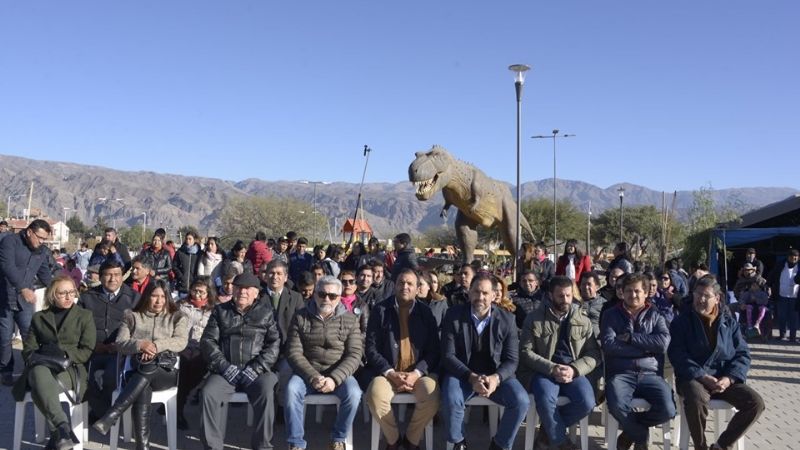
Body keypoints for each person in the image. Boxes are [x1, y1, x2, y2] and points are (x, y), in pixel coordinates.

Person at [668, 275, 765, 450]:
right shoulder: (681, 322)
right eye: (698, 294)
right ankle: (701, 446)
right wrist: (702, 376)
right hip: (694, 379)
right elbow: (677, 354)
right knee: (696, 398)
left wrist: (729, 378)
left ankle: (721, 445)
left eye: (706, 296)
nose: (701, 299)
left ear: (717, 298)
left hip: (723, 380)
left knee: (755, 403)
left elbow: (742, 354)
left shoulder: (729, 322)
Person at [91, 279, 188, 450]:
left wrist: (156, 346)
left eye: (163, 297)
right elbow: (120, 343)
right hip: (136, 373)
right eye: (154, 296)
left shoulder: (177, 316)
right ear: (146, 296)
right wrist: (140, 345)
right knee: (143, 385)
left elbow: (181, 341)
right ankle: (142, 446)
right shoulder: (132, 316)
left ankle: (113, 414)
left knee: (148, 368)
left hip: (165, 372)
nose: (159, 301)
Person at [440, 273, 529, 450]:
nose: (480, 297)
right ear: (469, 292)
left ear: (494, 295)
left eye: (485, 293)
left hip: (495, 375)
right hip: (462, 374)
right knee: (451, 398)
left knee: (521, 401)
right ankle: (458, 442)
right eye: (476, 292)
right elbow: (448, 355)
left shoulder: (507, 319)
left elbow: (512, 360)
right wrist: (471, 377)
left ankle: (499, 444)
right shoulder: (453, 315)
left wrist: (496, 378)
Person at [12, 275, 95, 450]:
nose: (68, 297)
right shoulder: (39, 317)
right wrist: (41, 356)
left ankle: (58, 434)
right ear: (52, 295)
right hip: (43, 365)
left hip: (70, 369)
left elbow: (87, 350)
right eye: (62, 293)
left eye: (71, 292)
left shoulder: (84, 316)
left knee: (39, 386)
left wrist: (64, 354)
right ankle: (62, 428)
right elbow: (28, 349)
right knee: (39, 372)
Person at [199, 271, 281, 450]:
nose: (242, 292)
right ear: (232, 290)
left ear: (256, 293)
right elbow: (207, 341)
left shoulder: (266, 313)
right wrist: (224, 366)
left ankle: (262, 446)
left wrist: (257, 368)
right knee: (208, 393)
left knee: (267, 390)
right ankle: (212, 446)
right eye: (238, 288)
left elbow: (274, 344)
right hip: (225, 371)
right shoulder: (220, 311)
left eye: (247, 288)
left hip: (258, 372)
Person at [519, 276, 599, 450]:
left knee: (587, 402)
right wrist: (551, 368)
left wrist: (574, 369)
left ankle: (547, 433)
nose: (565, 300)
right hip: (544, 371)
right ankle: (562, 442)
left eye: (568, 295)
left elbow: (593, 353)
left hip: (573, 371)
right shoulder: (534, 318)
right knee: (545, 398)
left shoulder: (583, 320)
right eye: (560, 296)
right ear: (550, 295)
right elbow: (525, 352)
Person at [284, 275, 363, 450]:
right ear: (315, 294)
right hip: (307, 372)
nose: (326, 299)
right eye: (322, 294)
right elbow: (293, 352)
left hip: (338, 373)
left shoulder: (350, 319)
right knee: (291, 390)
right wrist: (313, 376)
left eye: (332, 296)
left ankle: (338, 438)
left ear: (339, 297)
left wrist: (334, 378)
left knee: (354, 394)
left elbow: (355, 354)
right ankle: (296, 443)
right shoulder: (300, 317)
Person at [364, 269, 440, 450]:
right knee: (375, 395)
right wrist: (390, 373)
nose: (405, 287)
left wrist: (416, 373)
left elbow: (434, 351)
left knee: (432, 395)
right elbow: (371, 349)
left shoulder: (426, 313)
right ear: (395, 285)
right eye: (401, 283)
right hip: (387, 372)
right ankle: (394, 439)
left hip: (418, 374)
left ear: (417, 288)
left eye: (410, 284)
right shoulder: (380, 310)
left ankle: (412, 440)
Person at [600, 273, 675, 450]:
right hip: (621, 373)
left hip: (650, 374)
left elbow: (662, 343)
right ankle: (640, 435)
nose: (632, 295)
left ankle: (630, 432)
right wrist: (646, 349)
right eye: (628, 291)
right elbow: (609, 346)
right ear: (622, 292)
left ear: (646, 293)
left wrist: (630, 338)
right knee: (617, 405)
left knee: (668, 409)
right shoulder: (611, 315)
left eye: (637, 291)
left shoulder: (656, 315)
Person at [78, 260, 141, 418]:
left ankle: (105, 412)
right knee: (83, 377)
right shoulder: (87, 298)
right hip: (92, 349)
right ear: (100, 277)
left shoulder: (134, 298)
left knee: (112, 377)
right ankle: (101, 411)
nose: (113, 279)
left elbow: (140, 328)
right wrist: (93, 345)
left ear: (122, 276)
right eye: (108, 275)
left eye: (117, 275)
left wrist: (122, 345)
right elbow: (77, 327)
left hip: (120, 351)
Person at [0, 219, 54, 386]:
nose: (42, 241)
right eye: (40, 237)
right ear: (29, 232)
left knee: (30, 336)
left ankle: (32, 372)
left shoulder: (42, 250)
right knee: (5, 338)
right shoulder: (10, 241)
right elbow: (7, 266)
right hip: (4, 298)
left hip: (25, 302)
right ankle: (5, 372)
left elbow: (45, 274)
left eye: (45, 239)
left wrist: (57, 290)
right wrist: (22, 288)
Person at [176, 278, 217, 429]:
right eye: (195, 290)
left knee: (200, 365)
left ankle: (179, 400)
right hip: (183, 346)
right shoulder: (181, 305)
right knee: (183, 368)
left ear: (208, 293)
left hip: (202, 348)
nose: (197, 295)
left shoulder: (213, 309)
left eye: (201, 292)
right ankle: (178, 411)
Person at [767, 249, 800, 342]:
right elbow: (772, 275)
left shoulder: (799, 267)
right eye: (792, 257)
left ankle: (793, 337)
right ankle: (782, 335)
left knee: (793, 318)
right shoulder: (780, 265)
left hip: (795, 296)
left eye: (796, 257)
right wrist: (768, 285)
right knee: (782, 316)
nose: (794, 258)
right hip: (782, 295)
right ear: (788, 257)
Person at [173, 232, 201, 296]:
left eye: (190, 239)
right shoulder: (180, 252)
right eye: (186, 239)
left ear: (194, 240)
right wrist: (180, 276)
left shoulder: (199, 254)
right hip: (182, 286)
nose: (188, 240)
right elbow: (174, 266)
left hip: (195, 287)